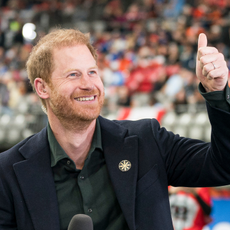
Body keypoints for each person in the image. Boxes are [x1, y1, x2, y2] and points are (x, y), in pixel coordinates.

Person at [0, 29, 229, 230]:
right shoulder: (8, 173)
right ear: (42, 87)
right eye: (73, 74)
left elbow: (222, 166)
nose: (89, 84)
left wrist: (217, 94)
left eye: (92, 72)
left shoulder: (147, 140)